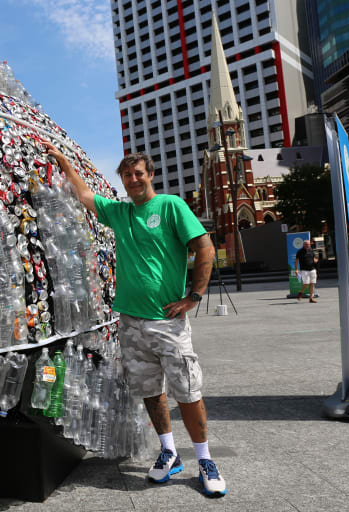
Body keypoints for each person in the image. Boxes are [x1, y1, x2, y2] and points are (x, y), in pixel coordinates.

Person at [43, 142, 226, 497]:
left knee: (187, 391)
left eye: (138, 174)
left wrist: (193, 297)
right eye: (127, 175)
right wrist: (64, 162)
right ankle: (169, 452)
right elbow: (84, 195)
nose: (133, 180)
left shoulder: (170, 206)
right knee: (150, 391)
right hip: (131, 322)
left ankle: (204, 459)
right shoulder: (120, 213)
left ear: (150, 175)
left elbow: (204, 247)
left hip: (167, 322)